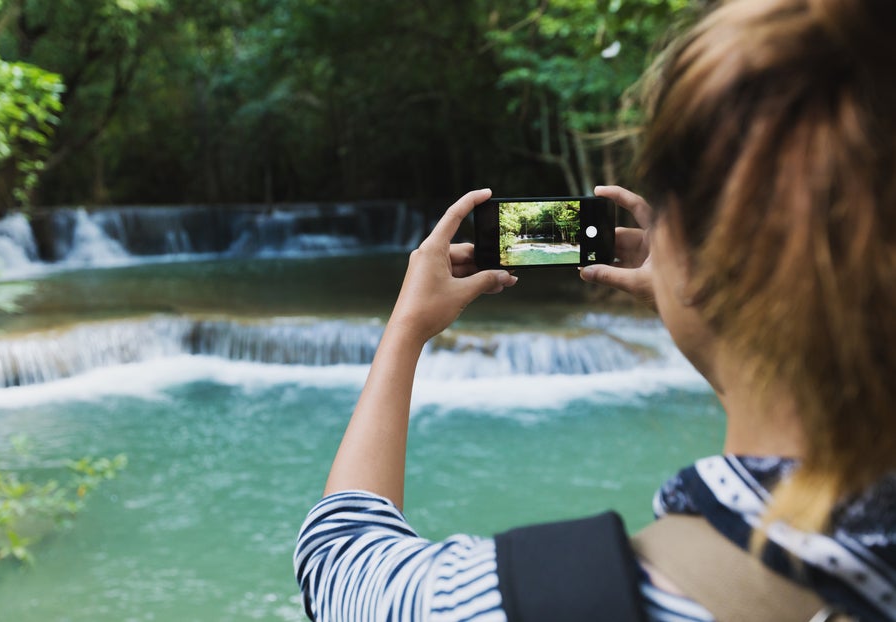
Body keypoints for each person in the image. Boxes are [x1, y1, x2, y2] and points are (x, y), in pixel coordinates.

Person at [293, 0, 896, 619]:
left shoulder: (537, 602)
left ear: (685, 240)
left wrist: (406, 328)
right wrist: (708, 306)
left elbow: (339, 558)